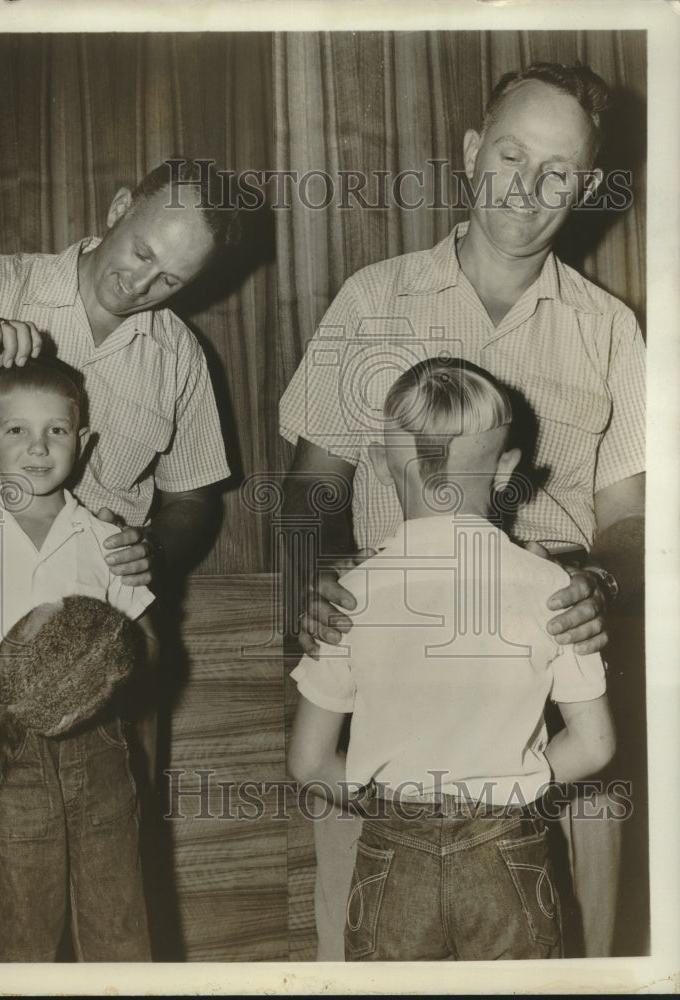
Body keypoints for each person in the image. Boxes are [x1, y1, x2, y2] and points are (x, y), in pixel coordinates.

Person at [280, 63, 645, 958]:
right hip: (394, 665)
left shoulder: (613, 329)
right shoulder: (373, 298)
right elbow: (309, 484)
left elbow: (628, 518)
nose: (528, 187)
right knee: (371, 949)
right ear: (473, 155)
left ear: (588, 186)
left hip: (557, 662)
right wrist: (317, 579)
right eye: (513, 156)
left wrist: (601, 582)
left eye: (558, 171)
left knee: (572, 955)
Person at [0, 158, 239, 960]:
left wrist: (151, 552)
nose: (142, 285)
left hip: (108, 619)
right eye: (139, 253)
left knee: (115, 873)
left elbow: (196, 496)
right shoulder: (2, 283)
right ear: (120, 205)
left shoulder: (181, 360)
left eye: (172, 279)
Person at [288, 358, 615, 960]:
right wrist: (510, 789)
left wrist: (397, 806)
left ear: (385, 465)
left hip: (392, 849)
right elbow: (595, 747)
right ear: (506, 467)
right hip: (508, 847)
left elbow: (309, 762)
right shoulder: (552, 586)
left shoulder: (349, 595)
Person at [0, 360, 158, 961]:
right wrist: (20, 667)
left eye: (57, 430)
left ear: (84, 441)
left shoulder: (107, 539)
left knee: (119, 927)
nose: (37, 447)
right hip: (8, 748)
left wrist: (99, 660)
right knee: (22, 928)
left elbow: (151, 646)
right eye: (16, 431)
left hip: (100, 744)